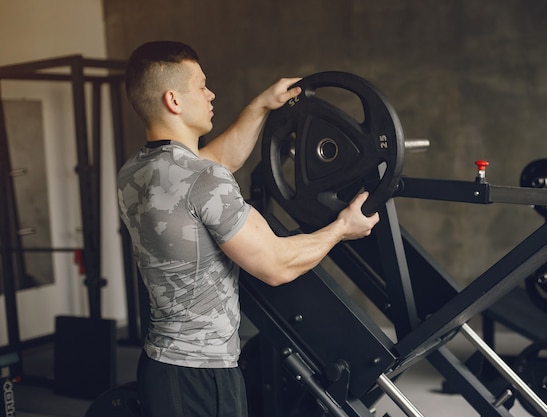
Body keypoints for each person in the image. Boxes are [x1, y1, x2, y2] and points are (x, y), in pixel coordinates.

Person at [117, 40, 380, 417]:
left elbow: (220, 159)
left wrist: (259, 106)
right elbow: (276, 266)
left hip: (160, 365)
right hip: (204, 375)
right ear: (174, 101)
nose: (211, 93)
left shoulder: (137, 173)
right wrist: (342, 228)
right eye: (201, 85)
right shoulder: (201, 179)